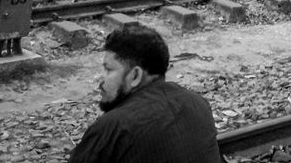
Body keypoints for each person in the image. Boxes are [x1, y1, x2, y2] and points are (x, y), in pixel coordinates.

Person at [69, 24, 220, 163]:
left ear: (135, 76)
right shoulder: (198, 103)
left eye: (109, 69)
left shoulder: (113, 127)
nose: (101, 80)